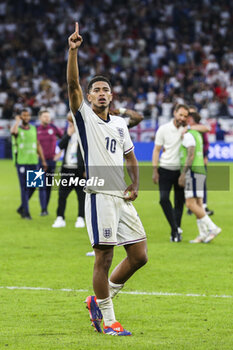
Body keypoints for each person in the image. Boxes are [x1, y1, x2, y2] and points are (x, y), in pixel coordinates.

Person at [67, 22, 147, 336]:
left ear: (112, 96)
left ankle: (98, 301)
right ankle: (110, 321)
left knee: (139, 255)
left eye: (105, 90)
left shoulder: (120, 124)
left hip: (121, 196)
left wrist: (135, 184)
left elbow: (130, 156)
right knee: (105, 256)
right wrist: (73, 51)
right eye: (96, 90)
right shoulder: (84, 116)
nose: (102, 94)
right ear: (89, 97)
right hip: (99, 193)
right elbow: (72, 84)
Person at [152, 104, 210, 242]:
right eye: (180, 115)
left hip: (180, 171)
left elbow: (206, 128)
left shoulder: (187, 130)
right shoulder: (163, 129)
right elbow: (156, 150)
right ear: (174, 113)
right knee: (163, 199)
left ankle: (176, 232)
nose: (182, 118)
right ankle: (175, 228)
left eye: (185, 116)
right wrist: (155, 169)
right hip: (165, 169)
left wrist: (189, 127)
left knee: (179, 203)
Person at [178, 112, 221, 243]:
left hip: (193, 171)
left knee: (190, 204)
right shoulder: (198, 134)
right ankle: (202, 234)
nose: (185, 119)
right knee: (198, 204)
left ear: (191, 120)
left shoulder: (189, 134)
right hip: (200, 169)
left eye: (187, 118)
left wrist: (184, 173)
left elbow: (190, 155)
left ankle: (212, 227)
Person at [11, 109, 47, 219]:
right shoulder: (17, 128)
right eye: (24, 116)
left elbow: (37, 144)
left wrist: (43, 160)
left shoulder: (33, 128)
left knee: (34, 186)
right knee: (24, 188)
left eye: (28, 115)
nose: (26, 117)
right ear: (21, 117)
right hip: (22, 162)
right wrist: (17, 121)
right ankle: (26, 213)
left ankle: (22, 207)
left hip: (33, 161)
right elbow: (13, 132)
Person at [52, 114, 85, 228]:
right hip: (66, 169)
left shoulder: (84, 134)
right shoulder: (68, 133)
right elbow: (60, 146)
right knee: (62, 195)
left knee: (81, 196)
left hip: (79, 170)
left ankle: (81, 218)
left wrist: (86, 170)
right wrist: (68, 134)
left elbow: (88, 153)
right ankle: (60, 218)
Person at [187, 106, 214, 216]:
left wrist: (205, 156)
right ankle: (193, 206)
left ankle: (203, 205)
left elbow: (206, 142)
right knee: (191, 184)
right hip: (190, 160)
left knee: (200, 183)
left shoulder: (198, 128)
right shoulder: (188, 128)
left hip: (199, 159)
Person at [37, 110, 63, 215]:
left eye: (48, 116)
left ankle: (45, 209)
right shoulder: (35, 129)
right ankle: (42, 209)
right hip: (38, 161)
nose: (47, 118)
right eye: (44, 117)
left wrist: (59, 154)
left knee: (48, 186)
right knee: (39, 185)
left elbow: (65, 140)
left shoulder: (54, 128)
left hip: (52, 161)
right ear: (40, 118)